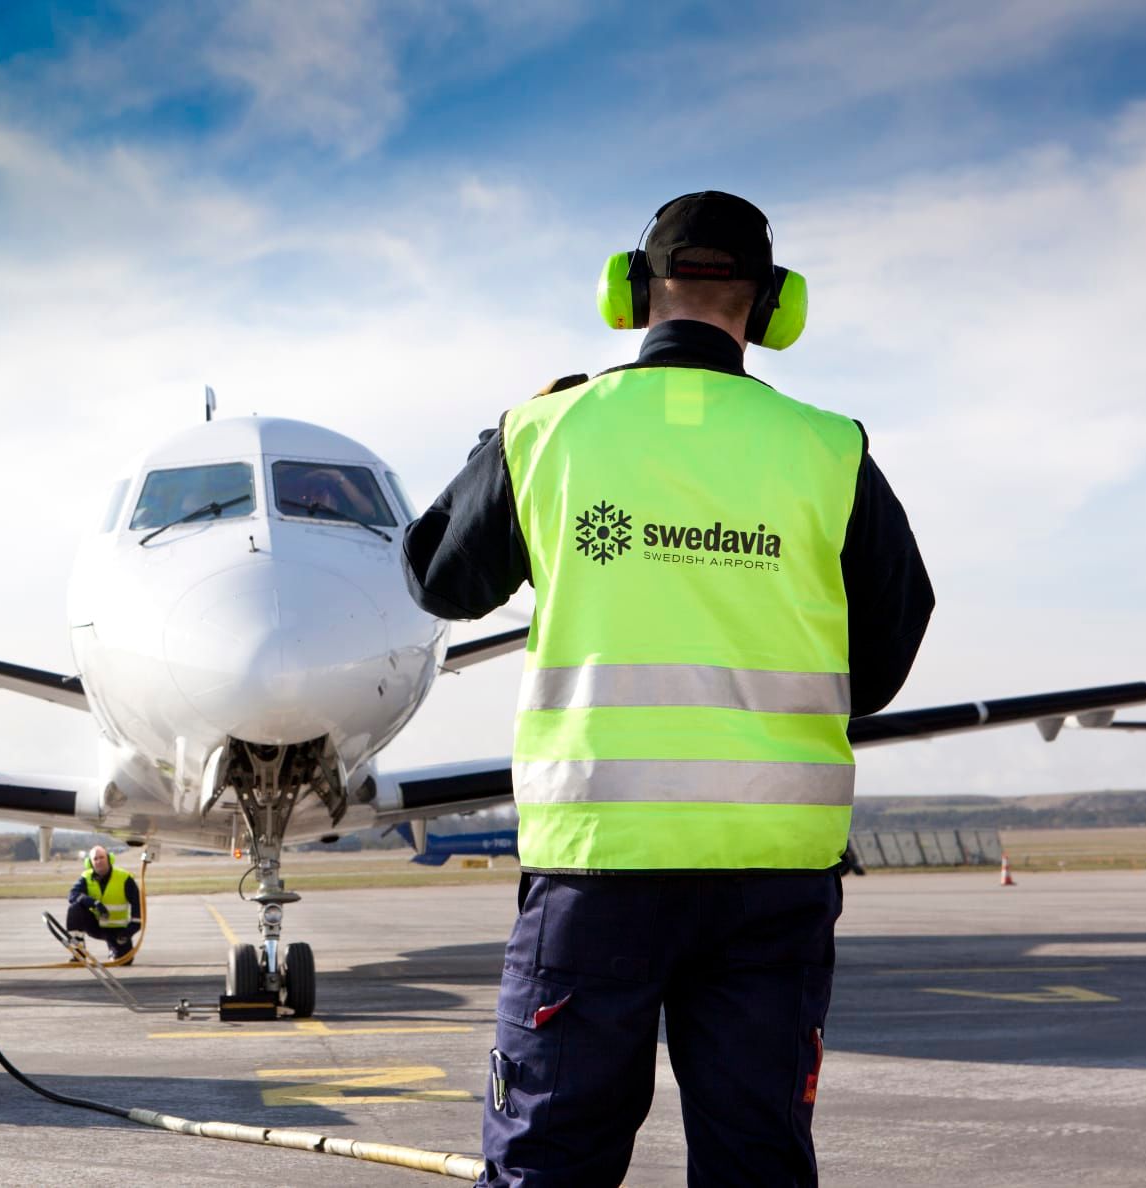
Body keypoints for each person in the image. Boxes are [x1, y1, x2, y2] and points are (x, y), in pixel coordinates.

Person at [401, 191, 934, 1187]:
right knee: (757, 1161)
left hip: (600, 865)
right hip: (773, 873)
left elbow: (438, 577)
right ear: (776, 307)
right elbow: (896, 641)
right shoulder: (830, 450)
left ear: (630, 293)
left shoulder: (553, 431)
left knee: (550, 1161)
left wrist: (505, 439)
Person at [65, 845, 143, 961]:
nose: (99, 861)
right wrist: (94, 903)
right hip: (96, 926)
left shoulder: (124, 878)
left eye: (101, 857)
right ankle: (78, 952)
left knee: (124, 961)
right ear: (90, 863)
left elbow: (138, 906)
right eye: (95, 859)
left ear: (109, 859)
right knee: (75, 908)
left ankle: (114, 950)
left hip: (118, 930)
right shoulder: (86, 878)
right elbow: (72, 895)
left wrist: (129, 932)